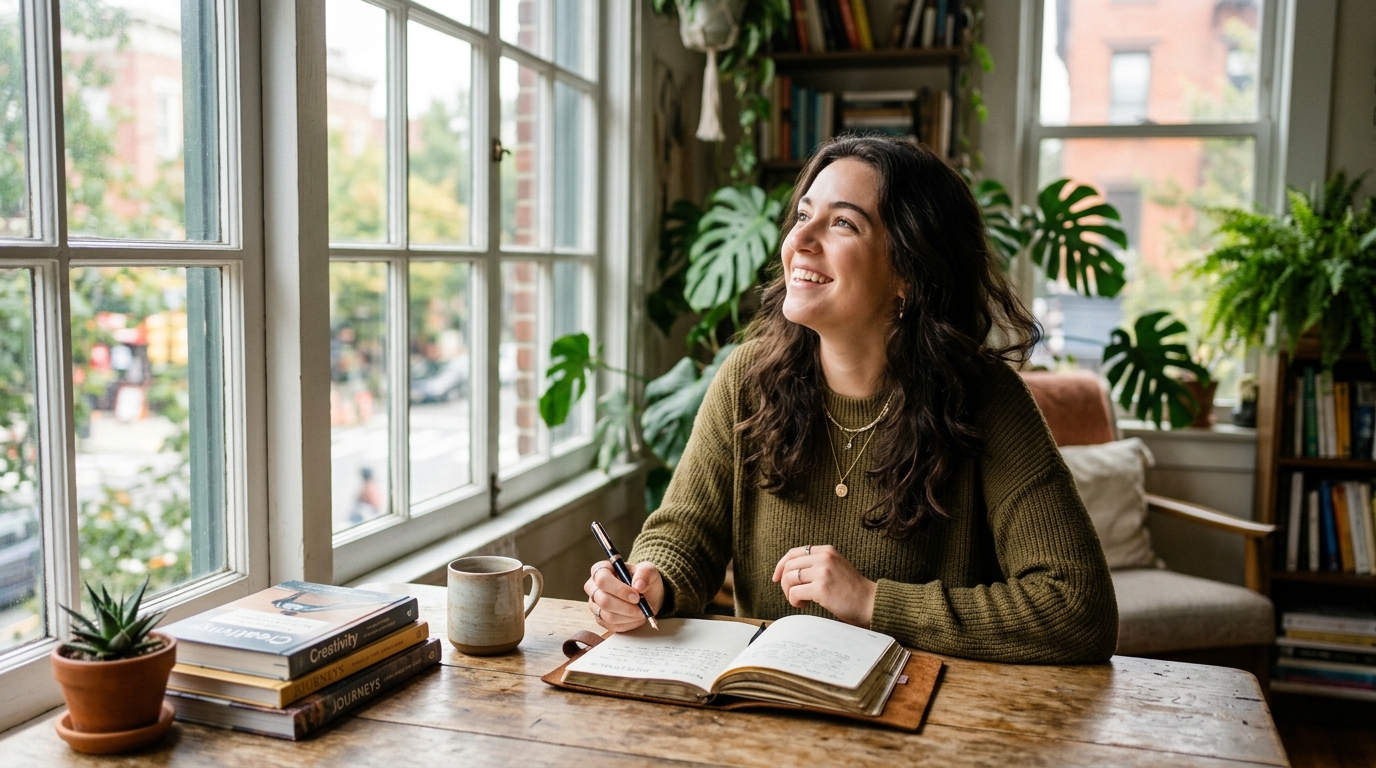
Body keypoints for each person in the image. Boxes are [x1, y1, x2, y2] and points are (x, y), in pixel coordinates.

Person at [586, 136, 1118, 663]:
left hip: (932, 723)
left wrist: (872, 602)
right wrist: (650, 582)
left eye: (842, 222)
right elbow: (685, 532)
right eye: (802, 215)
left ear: (909, 271)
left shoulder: (986, 400)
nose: (801, 240)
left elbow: (1078, 607)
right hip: (769, 709)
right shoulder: (746, 380)